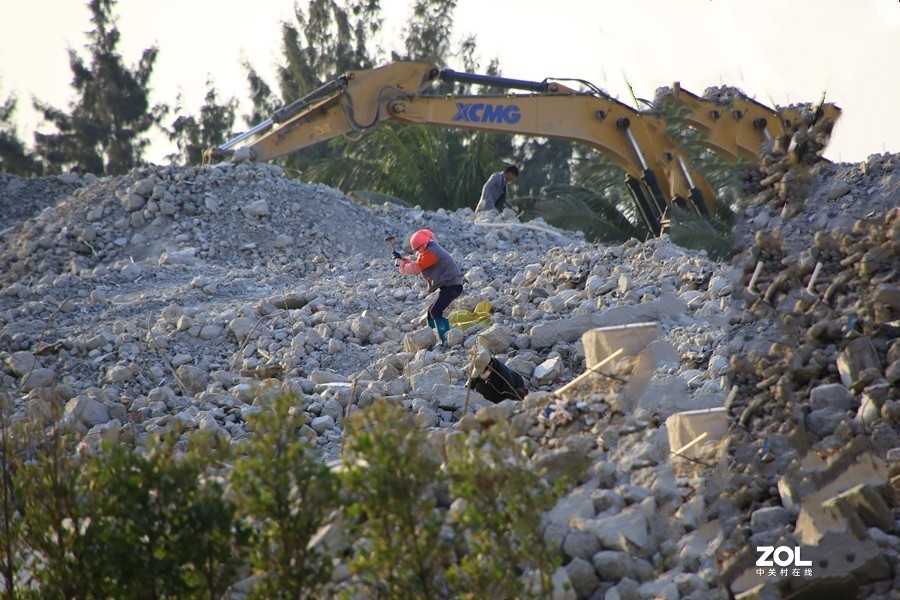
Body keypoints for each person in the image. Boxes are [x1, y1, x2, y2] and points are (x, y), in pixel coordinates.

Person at [394, 228, 463, 346]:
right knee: (431, 312)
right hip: (449, 285)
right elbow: (418, 263)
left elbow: (416, 268)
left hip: (453, 286)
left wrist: (402, 265)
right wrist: (403, 259)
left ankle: (445, 340)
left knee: (435, 311)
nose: (417, 251)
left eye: (418, 249)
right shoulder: (429, 248)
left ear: (424, 243)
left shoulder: (431, 253)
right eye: (416, 249)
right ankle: (431, 338)